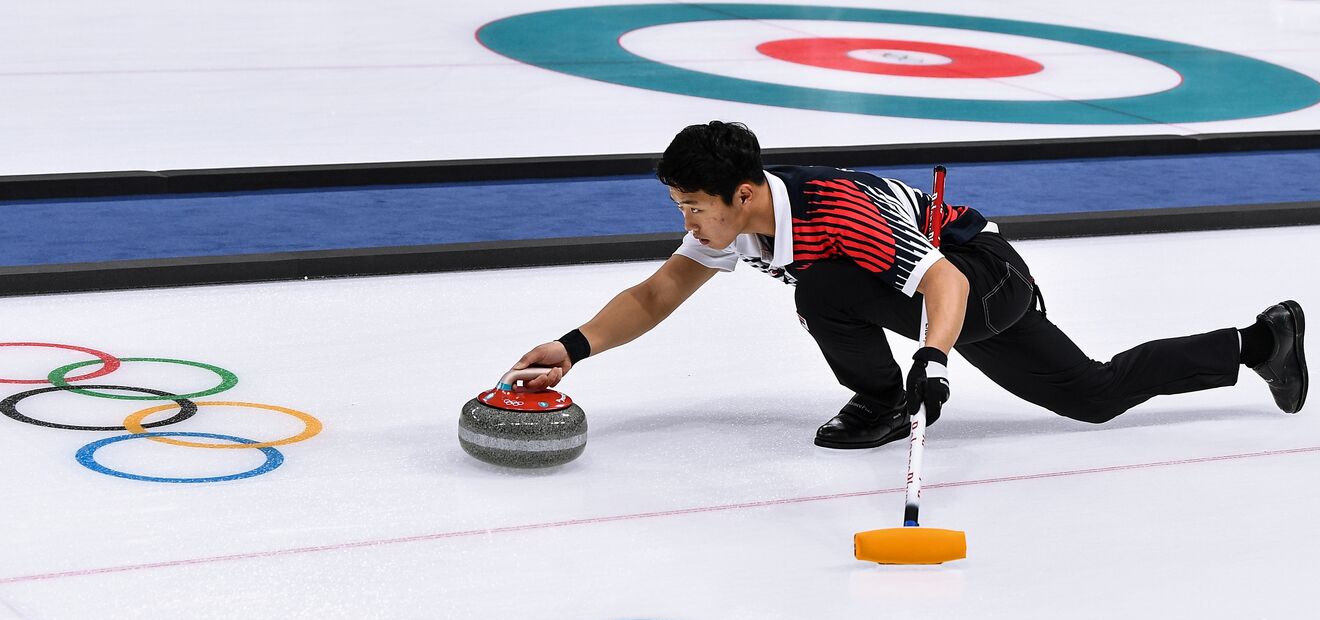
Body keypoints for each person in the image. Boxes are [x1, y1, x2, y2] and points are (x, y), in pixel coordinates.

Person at [512, 121, 1307, 448]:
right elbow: (656, 294)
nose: (688, 222)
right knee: (1094, 396)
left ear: (743, 194)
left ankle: (882, 402)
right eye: (681, 207)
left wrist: (931, 362)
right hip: (939, 291)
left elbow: (945, 282)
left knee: (823, 290)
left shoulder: (836, 212)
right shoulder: (735, 223)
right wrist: (573, 347)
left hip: (982, 279)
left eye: (694, 207)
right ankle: (1259, 342)